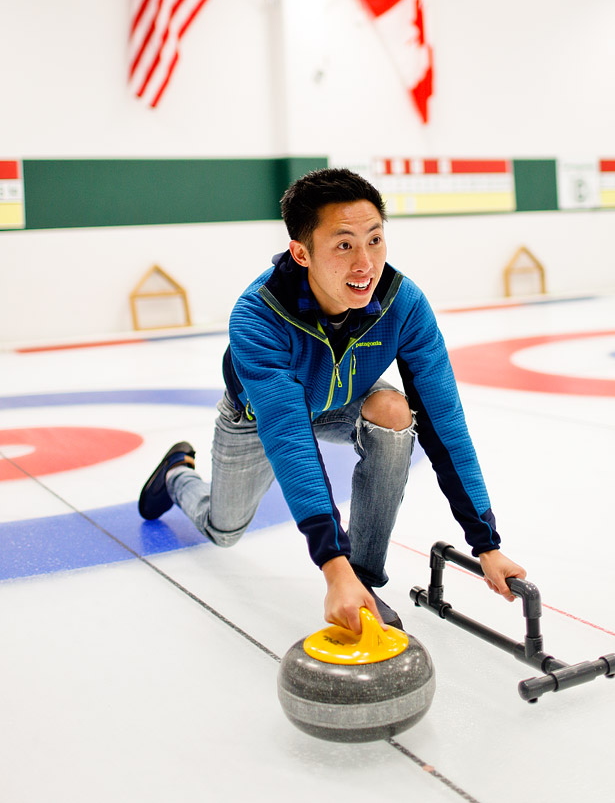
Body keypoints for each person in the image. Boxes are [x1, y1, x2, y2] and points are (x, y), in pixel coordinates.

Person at [139, 167, 525, 632]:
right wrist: (330, 565)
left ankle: (364, 579)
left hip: (344, 401)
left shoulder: (404, 304)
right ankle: (178, 474)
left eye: (375, 240)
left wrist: (486, 544)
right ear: (301, 252)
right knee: (224, 531)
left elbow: (445, 422)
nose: (365, 263)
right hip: (258, 416)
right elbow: (288, 437)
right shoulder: (258, 316)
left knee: (394, 411)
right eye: (344, 245)